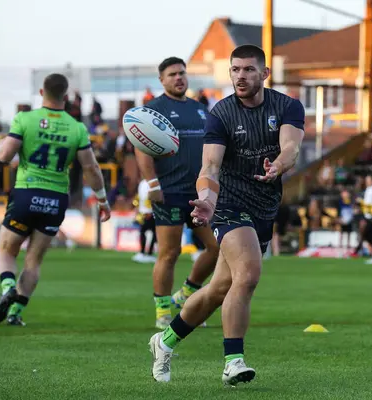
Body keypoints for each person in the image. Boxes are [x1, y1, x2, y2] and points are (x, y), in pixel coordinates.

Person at [148, 45, 305, 385]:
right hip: (229, 205)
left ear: (264, 74)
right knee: (247, 275)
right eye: (235, 70)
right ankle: (233, 361)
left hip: (264, 206)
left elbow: (291, 147)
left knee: (219, 288)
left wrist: (276, 166)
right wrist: (206, 198)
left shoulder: (288, 106)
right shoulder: (220, 113)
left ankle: (165, 341)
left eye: (248, 70)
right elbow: (210, 166)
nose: (240, 76)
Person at [0, 73, 111, 326]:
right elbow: (91, 168)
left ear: (42, 93)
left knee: (6, 250)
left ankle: (8, 287)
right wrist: (102, 200)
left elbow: (3, 155)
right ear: (66, 97)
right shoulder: (77, 127)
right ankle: (16, 313)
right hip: (56, 199)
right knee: (34, 260)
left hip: (26, 192)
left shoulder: (25, 119)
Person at [135, 57, 219, 329]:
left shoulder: (200, 110)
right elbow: (141, 148)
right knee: (169, 253)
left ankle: (185, 295)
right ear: (162, 80)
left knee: (216, 247)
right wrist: (153, 184)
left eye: (182, 73)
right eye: (172, 74)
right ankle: (162, 311)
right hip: (168, 191)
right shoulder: (153, 110)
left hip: (199, 193)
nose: (179, 78)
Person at [132, 179, 157, 263]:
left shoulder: (153, 182)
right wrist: (137, 208)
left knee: (150, 232)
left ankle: (147, 253)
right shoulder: (142, 183)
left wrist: (149, 210)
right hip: (144, 212)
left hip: (150, 212)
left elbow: (152, 197)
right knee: (145, 232)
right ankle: (145, 252)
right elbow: (140, 197)